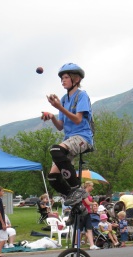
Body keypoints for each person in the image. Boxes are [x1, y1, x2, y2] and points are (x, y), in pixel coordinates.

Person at [42, 63, 94, 205]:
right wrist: (52, 116)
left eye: (66, 77)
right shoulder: (64, 99)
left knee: (55, 149)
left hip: (83, 136)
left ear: (76, 79)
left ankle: (76, 188)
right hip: (69, 138)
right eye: (62, 78)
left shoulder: (81, 95)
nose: (62, 80)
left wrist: (59, 107)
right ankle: (75, 201)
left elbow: (77, 119)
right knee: (53, 177)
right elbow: (60, 127)